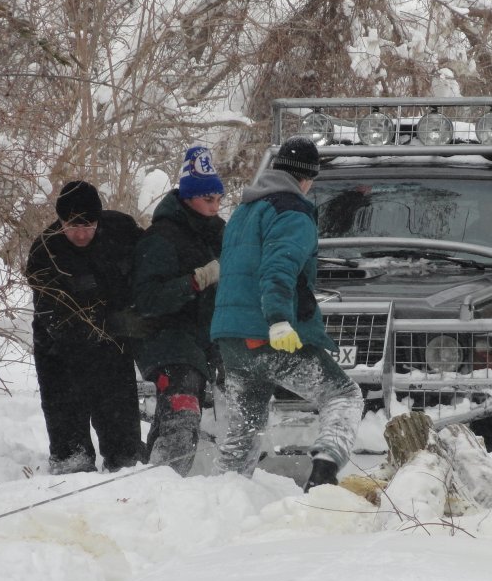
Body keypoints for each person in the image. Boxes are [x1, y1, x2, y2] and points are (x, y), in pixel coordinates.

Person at [210, 136, 364, 492]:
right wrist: (278, 319)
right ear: (307, 178)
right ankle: (325, 470)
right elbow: (278, 268)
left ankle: (223, 497)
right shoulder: (292, 211)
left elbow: (238, 272)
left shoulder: (244, 212)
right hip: (268, 333)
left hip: (232, 339)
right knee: (343, 395)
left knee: (245, 428)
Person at [25, 180, 146, 474]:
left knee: (126, 452)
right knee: (71, 450)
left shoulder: (121, 231)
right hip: (60, 353)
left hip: (112, 348)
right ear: (60, 221)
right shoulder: (45, 252)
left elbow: (151, 261)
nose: (80, 234)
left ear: (98, 219)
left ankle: (125, 467)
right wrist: (109, 322)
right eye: (71, 226)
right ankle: (72, 466)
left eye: (88, 226)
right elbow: (54, 317)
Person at [132, 146, 226, 476]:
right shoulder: (161, 238)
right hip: (167, 343)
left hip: (208, 341)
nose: (214, 207)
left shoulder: (219, 234)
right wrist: (195, 282)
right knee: (181, 413)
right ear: (188, 197)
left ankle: (159, 478)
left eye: (218, 199)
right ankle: (164, 482)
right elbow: (147, 300)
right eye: (207, 199)